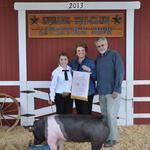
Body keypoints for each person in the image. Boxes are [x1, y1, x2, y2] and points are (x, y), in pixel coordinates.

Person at [95, 37, 124, 147]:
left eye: (102, 45)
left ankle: (113, 139)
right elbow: (97, 75)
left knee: (111, 116)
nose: (101, 47)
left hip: (113, 92)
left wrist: (116, 89)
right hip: (102, 92)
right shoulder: (98, 58)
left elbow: (120, 72)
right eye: (98, 46)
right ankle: (107, 137)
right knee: (105, 116)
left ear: (107, 44)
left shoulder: (114, 55)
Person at [70, 42, 96, 114]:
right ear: (76, 52)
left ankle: (87, 126)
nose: (81, 52)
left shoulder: (90, 62)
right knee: (79, 113)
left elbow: (96, 76)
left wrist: (89, 70)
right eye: (78, 50)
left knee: (86, 114)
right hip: (77, 92)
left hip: (88, 92)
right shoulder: (73, 62)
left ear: (85, 52)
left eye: (82, 50)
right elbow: (67, 72)